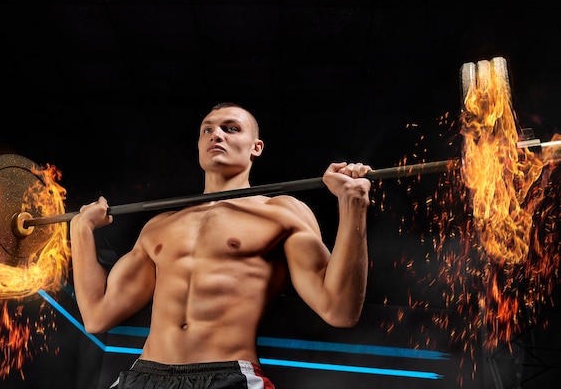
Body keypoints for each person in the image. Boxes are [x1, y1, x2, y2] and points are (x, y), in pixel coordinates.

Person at [69, 102, 373, 389]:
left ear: (256, 147)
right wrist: (81, 230)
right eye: (208, 129)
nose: (216, 134)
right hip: (145, 374)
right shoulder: (159, 226)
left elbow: (340, 310)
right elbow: (97, 315)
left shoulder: (281, 213)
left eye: (231, 128)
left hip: (227, 377)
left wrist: (353, 204)